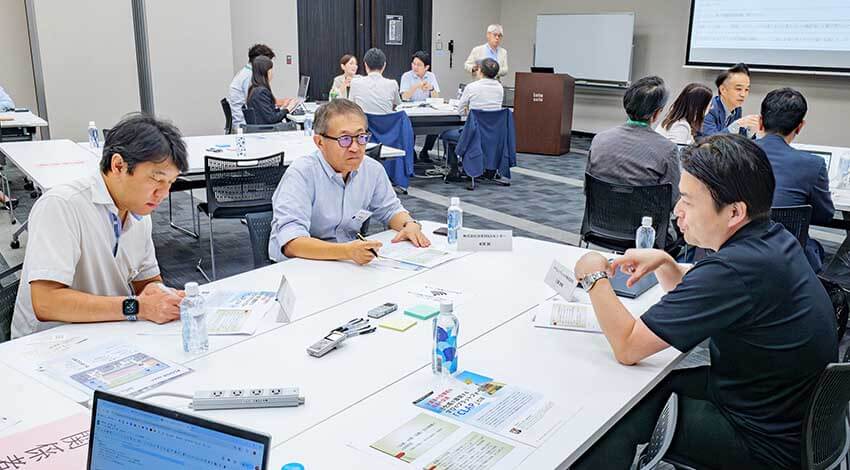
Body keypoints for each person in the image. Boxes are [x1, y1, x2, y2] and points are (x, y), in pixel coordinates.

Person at [572, 134, 837, 470]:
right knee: (652, 386)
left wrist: (594, 276)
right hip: (786, 414)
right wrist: (667, 264)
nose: (677, 212)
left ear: (734, 212)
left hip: (761, 443)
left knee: (615, 412)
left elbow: (627, 346)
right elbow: (715, 298)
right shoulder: (772, 238)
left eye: (687, 200)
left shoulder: (732, 269)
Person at [11, 114, 190, 339]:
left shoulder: (139, 212)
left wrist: (160, 295)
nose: (163, 194)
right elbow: (46, 303)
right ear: (118, 165)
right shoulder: (62, 205)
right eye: (157, 180)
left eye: (170, 183)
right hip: (51, 344)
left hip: (109, 331)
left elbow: (146, 281)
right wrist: (138, 307)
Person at [268, 98, 429, 264]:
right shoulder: (301, 174)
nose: (355, 147)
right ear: (320, 142)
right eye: (344, 139)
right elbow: (291, 243)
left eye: (361, 137)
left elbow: (390, 210)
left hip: (346, 261)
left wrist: (409, 224)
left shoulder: (372, 170)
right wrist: (346, 251)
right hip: (301, 264)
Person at [756, 88, 834, 272]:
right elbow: (825, 215)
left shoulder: (734, 153)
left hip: (733, 252)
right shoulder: (813, 164)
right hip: (787, 260)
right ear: (800, 126)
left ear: (760, 122)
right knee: (817, 250)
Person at [587, 76, 680, 209]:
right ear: (656, 113)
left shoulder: (599, 139)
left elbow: (588, 189)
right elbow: (672, 201)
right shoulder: (668, 149)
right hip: (645, 226)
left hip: (599, 221)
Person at [227, 44, 295, 130]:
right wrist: (287, 108)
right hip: (245, 124)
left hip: (250, 122)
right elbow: (268, 115)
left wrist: (282, 107)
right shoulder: (249, 78)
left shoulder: (249, 78)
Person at [400, 51, 441, 161]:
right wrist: (416, 86)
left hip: (427, 110)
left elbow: (436, 98)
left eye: (419, 65)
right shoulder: (407, 76)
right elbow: (404, 96)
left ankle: (425, 150)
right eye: (413, 64)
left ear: (426, 67)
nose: (415, 67)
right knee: (409, 127)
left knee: (437, 126)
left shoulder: (431, 76)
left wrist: (431, 89)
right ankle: (411, 150)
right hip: (411, 111)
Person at [702, 62, 760, 137]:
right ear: (723, 90)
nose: (743, 94)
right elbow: (710, 141)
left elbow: (739, 139)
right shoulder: (709, 109)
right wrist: (734, 126)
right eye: (738, 89)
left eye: (746, 89)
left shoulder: (737, 109)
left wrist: (750, 131)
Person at [348, 48, 401, 115]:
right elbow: (398, 104)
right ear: (384, 65)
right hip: (386, 124)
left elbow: (351, 106)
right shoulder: (393, 84)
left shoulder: (355, 83)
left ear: (365, 65)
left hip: (364, 124)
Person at [244, 55, 289, 126]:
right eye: (271, 70)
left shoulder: (253, 89)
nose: (272, 73)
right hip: (267, 131)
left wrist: (283, 108)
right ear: (266, 72)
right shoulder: (261, 92)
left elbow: (268, 113)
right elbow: (272, 119)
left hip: (262, 129)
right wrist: (288, 109)